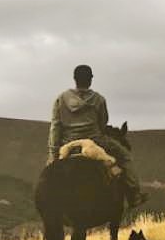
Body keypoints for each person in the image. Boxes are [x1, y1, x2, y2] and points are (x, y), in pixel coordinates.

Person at [48, 64, 148, 206]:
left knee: (49, 174)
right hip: (94, 142)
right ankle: (134, 195)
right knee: (125, 157)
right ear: (90, 80)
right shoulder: (99, 100)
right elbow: (102, 124)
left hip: (68, 144)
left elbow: (55, 127)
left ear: (75, 79)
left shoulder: (61, 99)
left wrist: (53, 153)